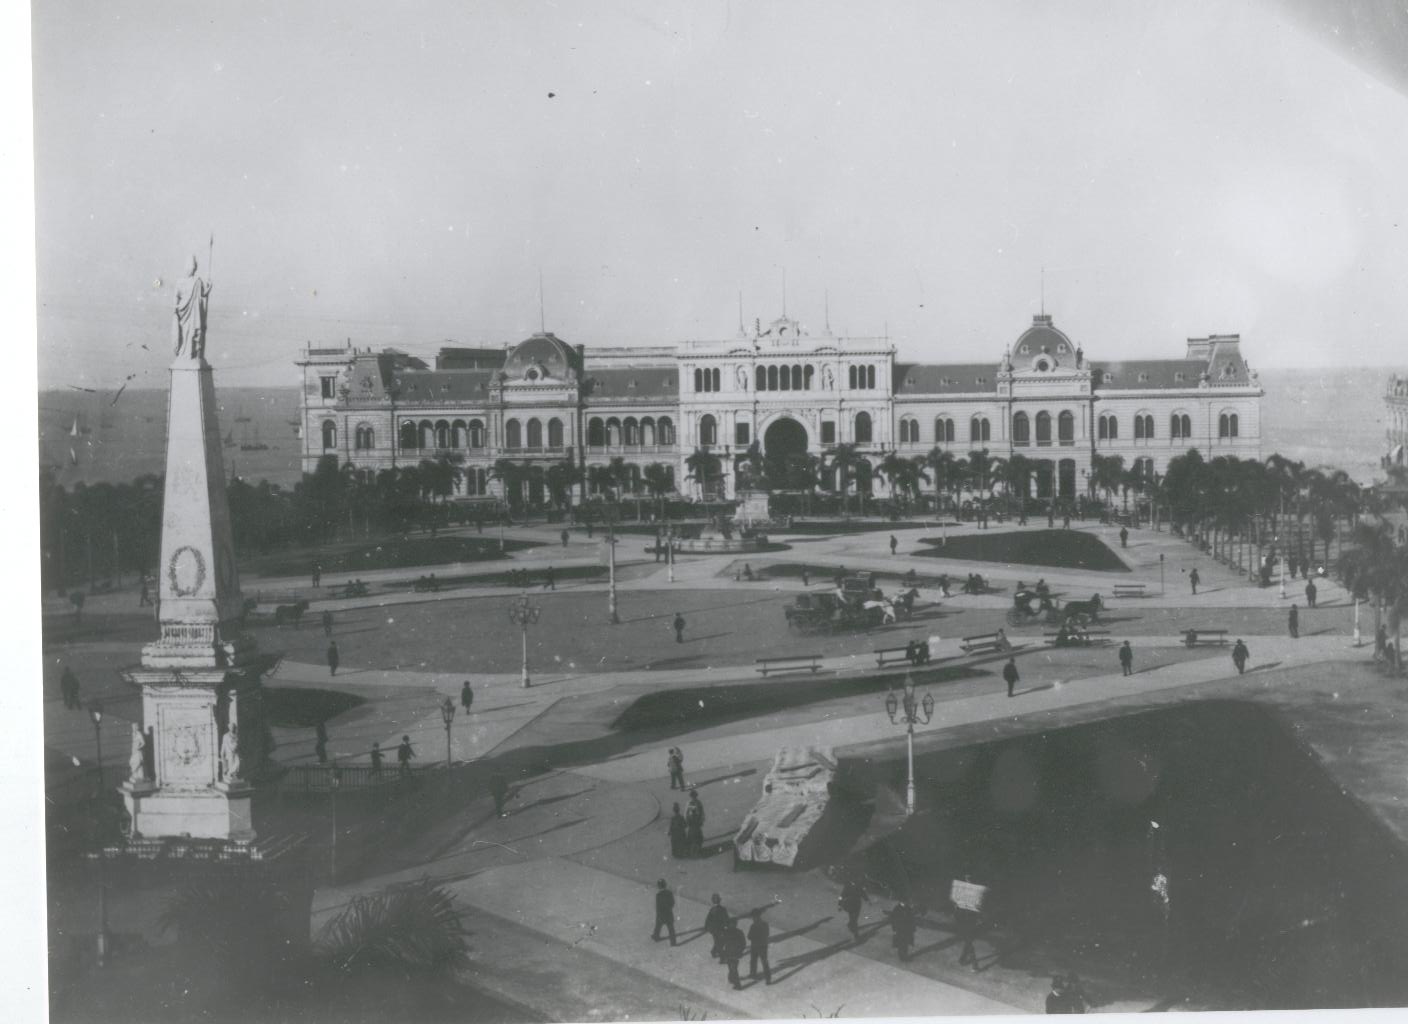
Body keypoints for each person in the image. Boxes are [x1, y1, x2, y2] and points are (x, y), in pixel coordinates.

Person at [720, 920, 747, 990]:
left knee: (733, 968)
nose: (732, 925)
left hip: (734, 953)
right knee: (731, 966)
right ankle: (732, 978)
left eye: (733, 924)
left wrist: (740, 950)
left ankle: (738, 985)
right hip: (730, 952)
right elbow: (722, 941)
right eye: (731, 924)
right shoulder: (733, 932)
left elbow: (743, 943)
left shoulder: (737, 932)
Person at [747, 911, 772, 984]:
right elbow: (767, 934)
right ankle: (768, 979)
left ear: (754, 917)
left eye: (752, 917)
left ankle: (753, 974)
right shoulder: (765, 924)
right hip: (763, 946)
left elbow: (749, 937)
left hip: (755, 946)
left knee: (753, 961)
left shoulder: (753, 926)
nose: (752, 919)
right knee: (765, 962)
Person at [704, 894, 730, 959]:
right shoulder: (722, 909)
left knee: (718, 941)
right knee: (720, 942)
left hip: (714, 929)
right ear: (719, 901)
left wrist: (706, 927)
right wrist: (727, 925)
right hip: (720, 928)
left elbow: (708, 919)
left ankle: (714, 952)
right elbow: (726, 918)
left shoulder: (712, 909)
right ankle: (721, 957)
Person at [653, 880, 677, 945]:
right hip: (669, 914)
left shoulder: (658, 895)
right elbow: (672, 903)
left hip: (661, 915)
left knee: (658, 926)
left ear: (659, 886)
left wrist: (658, 915)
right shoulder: (669, 893)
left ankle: (656, 937)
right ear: (665, 885)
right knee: (671, 929)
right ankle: (673, 942)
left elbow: (658, 907)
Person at [686, 789, 706, 856]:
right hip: (694, 823)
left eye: (694, 796)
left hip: (695, 823)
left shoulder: (694, 803)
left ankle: (696, 850)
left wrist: (701, 820)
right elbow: (687, 814)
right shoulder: (693, 803)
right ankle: (695, 850)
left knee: (695, 837)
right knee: (696, 837)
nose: (693, 797)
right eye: (693, 796)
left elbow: (702, 813)